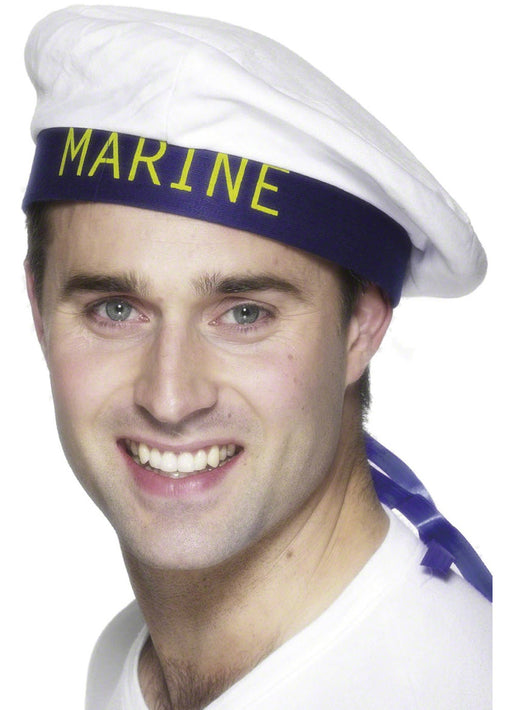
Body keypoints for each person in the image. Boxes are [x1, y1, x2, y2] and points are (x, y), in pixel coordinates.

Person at [22, 5, 491, 709]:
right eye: (115, 309)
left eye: (245, 314)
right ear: (38, 307)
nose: (170, 397)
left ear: (361, 327)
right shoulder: (124, 660)